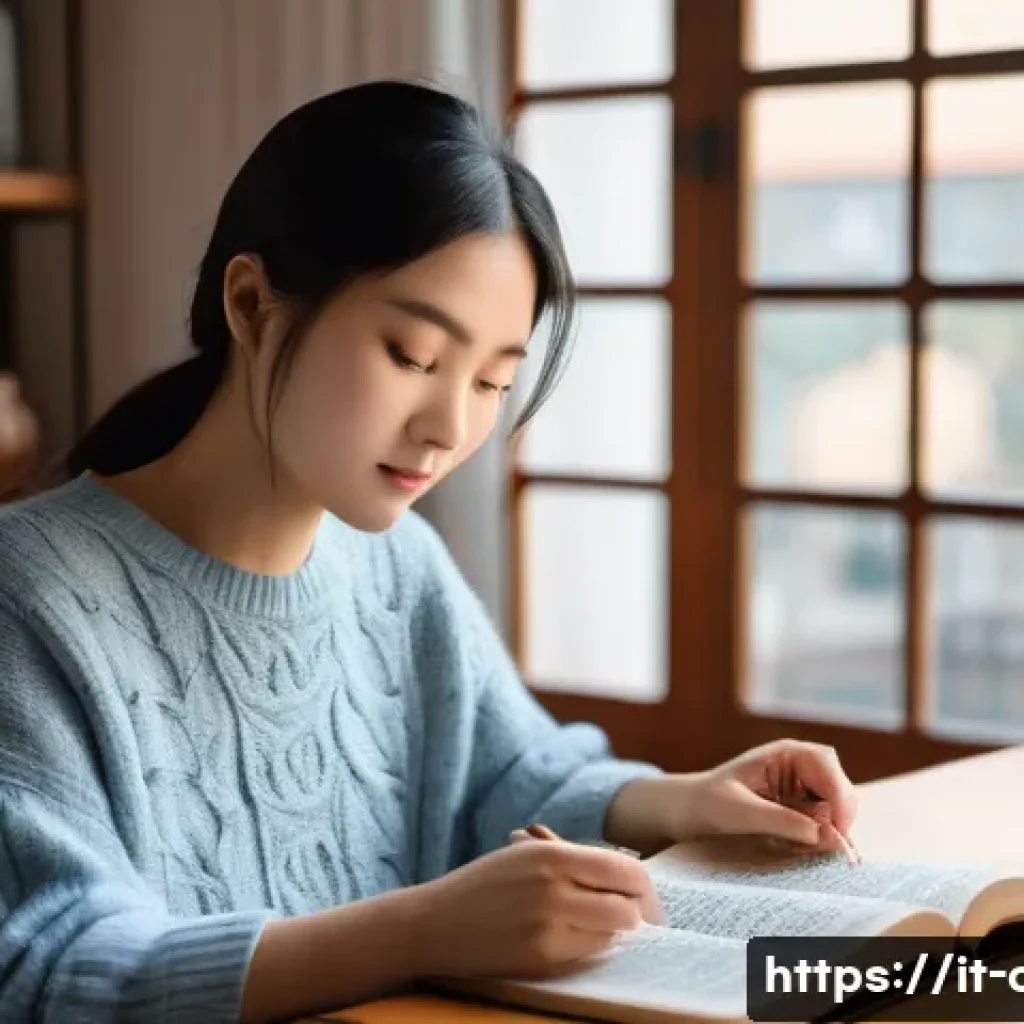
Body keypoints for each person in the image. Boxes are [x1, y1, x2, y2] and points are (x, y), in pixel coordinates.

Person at [0, 80, 858, 1024]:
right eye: (412, 355)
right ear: (251, 304)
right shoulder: (31, 591)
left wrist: (691, 800)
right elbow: (52, 970)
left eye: (493, 381)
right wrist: (417, 931)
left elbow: (513, 778)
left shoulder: (396, 567)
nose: (451, 426)